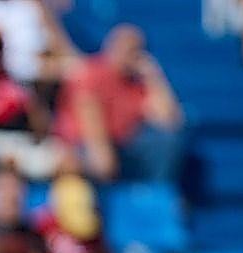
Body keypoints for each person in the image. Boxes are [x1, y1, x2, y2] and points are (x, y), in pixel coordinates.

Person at [53, 24, 182, 181]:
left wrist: (154, 76)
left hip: (121, 146)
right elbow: (88, 113)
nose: (128, 54)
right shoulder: (92, 72)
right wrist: (101, 152)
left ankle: (153, 190)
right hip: (81, 145)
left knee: (164, 142)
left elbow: (170, 121)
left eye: (136, 50)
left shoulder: (137, 84)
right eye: (124, 48)